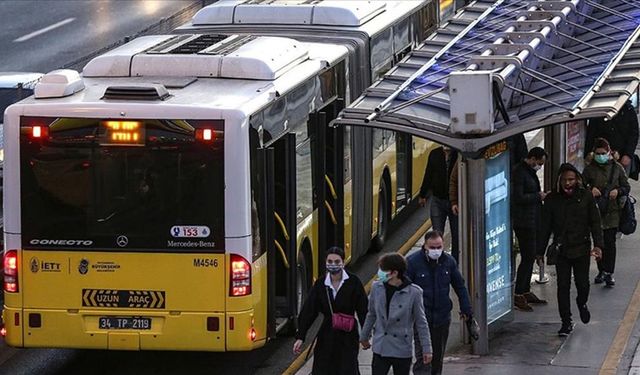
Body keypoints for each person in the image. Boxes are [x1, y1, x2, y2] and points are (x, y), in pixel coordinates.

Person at [538, 163, 603, 336]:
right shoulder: (552, 200)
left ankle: (582, 302)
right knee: (563, 286)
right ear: (559, 180)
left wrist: (598, 245)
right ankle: (566, 321)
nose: (568, 183)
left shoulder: (586, 197)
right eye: (565, 180)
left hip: (581, 248)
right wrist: (540, 252)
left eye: (571, 180)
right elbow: (545, 227)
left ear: (577, 180)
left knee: (583, 284)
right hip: (562, 249)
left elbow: (595, 223)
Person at [407, 230, 473, 375]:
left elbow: (460, 286)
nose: (436, 251)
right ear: (424, 246)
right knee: (423, 357)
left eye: (439, 247)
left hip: (442, 318)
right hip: (421, 320)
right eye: (432, 247)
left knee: (437, 359)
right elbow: (405, 291)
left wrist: (466, 308)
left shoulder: (448, 262)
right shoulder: (412, 263)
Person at [293, 247, 368, 375]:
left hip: (348, 336)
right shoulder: (321, 284)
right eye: (330, 261)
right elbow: (309, 310)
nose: (333, 265)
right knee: (323, 367)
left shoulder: (353, 282)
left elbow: (363, 310)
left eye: (337, 261)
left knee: (347, 368)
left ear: (343, 263)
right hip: (327, 334)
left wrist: (365, 335)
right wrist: (301, 336)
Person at [360, 253, 432, 375]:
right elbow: (371, 314)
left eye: (383, 270)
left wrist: (427, 349)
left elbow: (421, 323)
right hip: (381, 346)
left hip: (402, 349)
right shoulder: (376, 288)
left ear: (394, 273)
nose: (380, 273)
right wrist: (364, 336)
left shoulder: (414, 293)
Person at [582, 138, 630, 287]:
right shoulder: (589, 169)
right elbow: (581, 186)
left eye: (603, 153)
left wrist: (618, 190)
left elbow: (626, 186)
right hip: (595, 211)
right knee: (599, 242)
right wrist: (590, 189)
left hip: (612, 211)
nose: (600, 156)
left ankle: (609, 272)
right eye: (597, 153)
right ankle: (601, 270)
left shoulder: (617, 168)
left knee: (610, 243)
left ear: (609, 152)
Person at [512, 147, 549, 311]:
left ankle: (525, 290)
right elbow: (518, 197)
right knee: (527, 257)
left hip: (531, 219)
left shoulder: (527, 172)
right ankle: (519, 292)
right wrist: (538, 196)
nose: (539, 166)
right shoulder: (520, 172)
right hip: (523, 221)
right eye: (539, 163)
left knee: (530, 256)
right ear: (532, 158)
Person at [418, 145, 460, 262]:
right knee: (437, 234)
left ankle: (455, 263)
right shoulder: (434, 154)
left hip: (455, 202)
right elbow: (428, 174)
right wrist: (423, 194)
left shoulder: (459, 154)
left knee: (457, 235)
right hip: (438, 199)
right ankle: (438, 262)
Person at [585, 100, 639, 174]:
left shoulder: (628, 110)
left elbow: (633, 134)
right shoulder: (599, 110)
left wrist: (628, 154)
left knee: (621, 180)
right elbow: (591, 134)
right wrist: (588, 153)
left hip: (622, 155)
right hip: (601, 156)